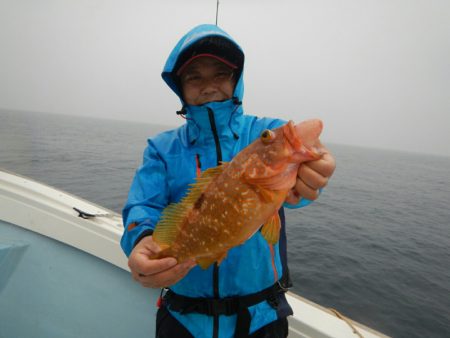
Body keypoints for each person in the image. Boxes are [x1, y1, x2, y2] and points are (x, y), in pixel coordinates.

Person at [121, 24, 336, 338]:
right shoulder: (162, 148)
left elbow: (298, 187)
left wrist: (314, 168)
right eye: (194, 76)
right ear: (179, 86)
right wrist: (141, 241)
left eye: (220, 73)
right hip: (183, 318)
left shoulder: (265, 133)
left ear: (237, 80)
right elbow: (143, 205)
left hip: (261, 318)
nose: (209, 86)